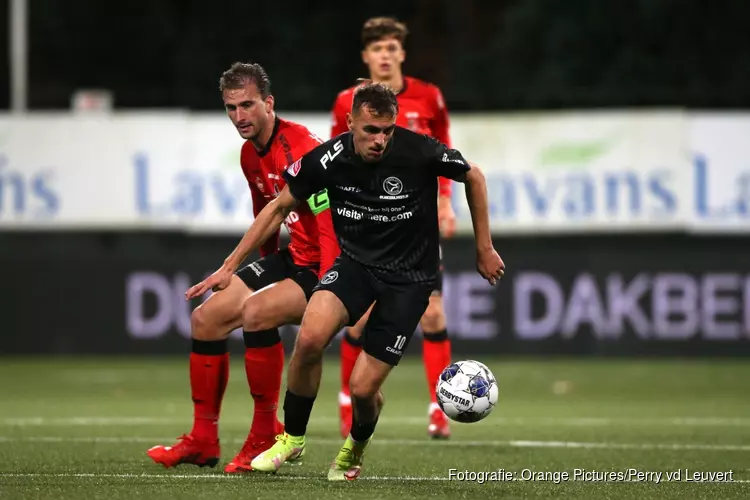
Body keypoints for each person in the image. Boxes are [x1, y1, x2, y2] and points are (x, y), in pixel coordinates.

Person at [244, 82, 504, 480]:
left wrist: (483, 248)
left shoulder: (419, 150)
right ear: (350, 124)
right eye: (370, 130)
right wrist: (232, 264)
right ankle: (292, 438)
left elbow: (476, 177)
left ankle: (354, 449)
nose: (380, 140)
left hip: (410, 280)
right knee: (309, 338)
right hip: (356, 267)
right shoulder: (328, 159)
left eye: (387, 130)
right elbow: (279, 206)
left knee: (363, 390)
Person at [146, 62, 339, 473]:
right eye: (231, 108)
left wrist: (334, 282)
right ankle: (203, 439)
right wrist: (261, 268)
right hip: (295, 257)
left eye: (247, 105)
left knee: (257, 311)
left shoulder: (300, 148)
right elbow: (264, 213)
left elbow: (328, 220)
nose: (239, 116)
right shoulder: (251, 153)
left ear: (269, 103)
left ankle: (265, 434)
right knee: (206, 319)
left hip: (331, 260)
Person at [330, 16, 457, 439]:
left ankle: (441, 408)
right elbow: (336, 159)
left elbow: (445, 155)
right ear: (366, 56)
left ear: (401, 53)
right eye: (377, 49)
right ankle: (350, 401)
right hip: (367, 225)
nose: (385, 55)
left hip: (416, 227)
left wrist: (444, 202)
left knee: (434, 313)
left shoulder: (429, 98)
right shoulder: (347, 101)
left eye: (391, 48)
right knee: (359, 318)